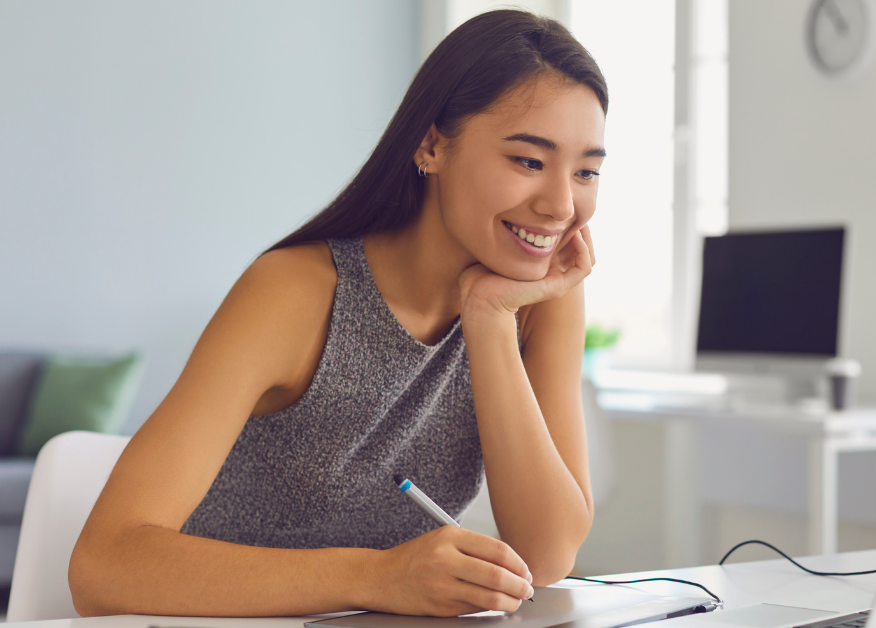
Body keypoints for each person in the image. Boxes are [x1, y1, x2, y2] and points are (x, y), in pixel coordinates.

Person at [69, 10, 606, 619]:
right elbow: (104, 564)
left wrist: (487, 322)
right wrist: (379, 575)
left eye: (587, 171)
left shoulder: (534, 297)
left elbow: (547, 552)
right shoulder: (294, 292)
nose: (562, 205)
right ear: (431, 145)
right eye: (529, 161)